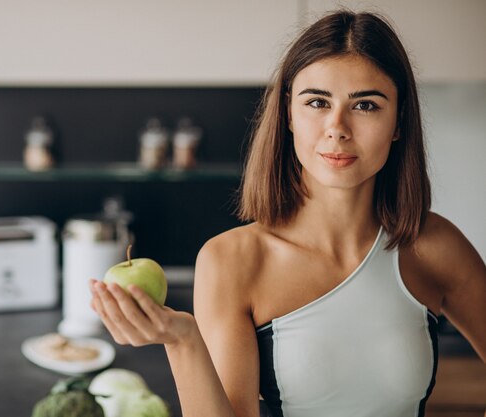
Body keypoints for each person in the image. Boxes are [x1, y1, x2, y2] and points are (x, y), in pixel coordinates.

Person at [89, 10, 486, 417]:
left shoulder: (434, 246)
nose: (337, 127)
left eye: (365, 105)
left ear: (398, 121)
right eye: (317, 102)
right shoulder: (233, 261)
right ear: (289, 115)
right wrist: (183, 340)